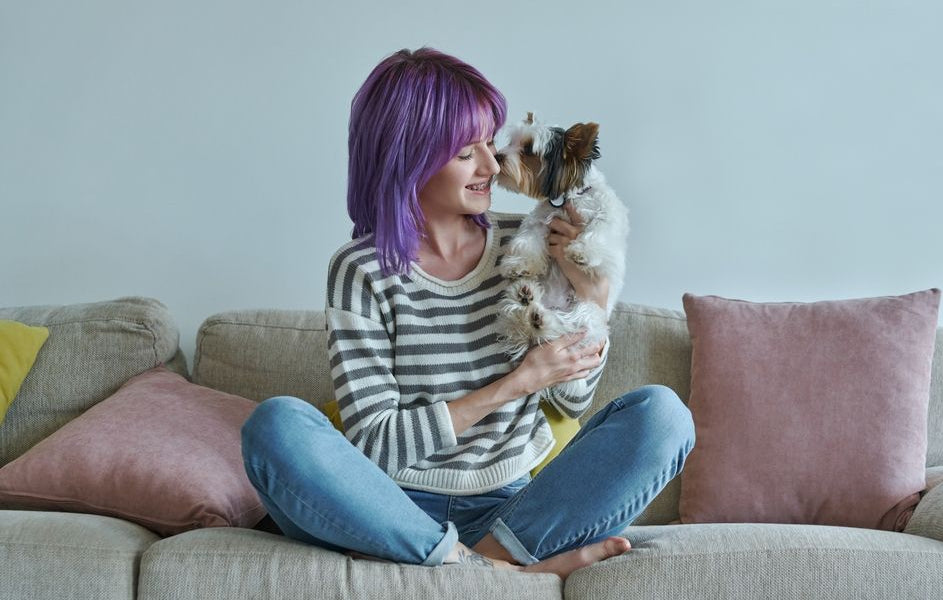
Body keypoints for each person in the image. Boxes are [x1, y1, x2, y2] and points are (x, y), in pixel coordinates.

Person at [240, 47, 695, 579]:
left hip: (516, 511)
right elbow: (374, 446)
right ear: (409, 158)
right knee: (275, 426)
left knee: (662, 416)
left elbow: (571, 399)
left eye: (489, 140)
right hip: (388, 507)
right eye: (465, 153)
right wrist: (512, 385)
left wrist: (592, 301)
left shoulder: (528, 241)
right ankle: (485, 565)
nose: (491, 164)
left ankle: (475, 559)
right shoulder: (360, 269)